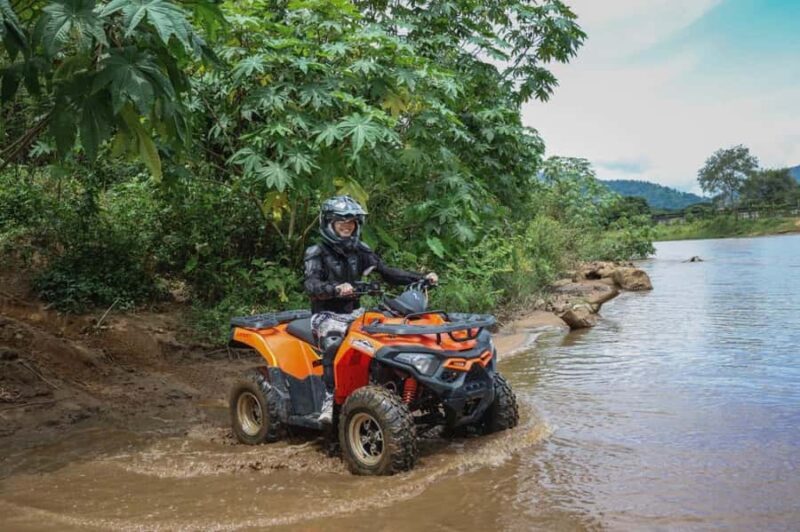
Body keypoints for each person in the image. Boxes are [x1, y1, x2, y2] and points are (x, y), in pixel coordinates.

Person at [304, 195, 437, 423]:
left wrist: (421, 278)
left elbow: (387, 272)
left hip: (355, 314)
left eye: (351, 223)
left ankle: (386, 387)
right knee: (335, 342)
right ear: (329, 223)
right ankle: (329, 399)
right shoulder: (316, 252)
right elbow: (311, 284)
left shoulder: (360, 250)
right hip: (326, 315)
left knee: (386, 336)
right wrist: (335, 289)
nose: (347, 227)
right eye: (341, 222)